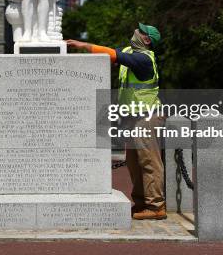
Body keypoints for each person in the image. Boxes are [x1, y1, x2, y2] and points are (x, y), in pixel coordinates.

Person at [66, 23, 166, 220]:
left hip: (147, 116)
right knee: (133, 161)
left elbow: (113, 55)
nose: (135, 31)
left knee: (149, 161)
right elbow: (110, 54)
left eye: (140, 31)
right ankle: (140, 204)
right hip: (133, 117)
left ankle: (156, 207)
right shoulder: (130, 51)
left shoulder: (143, 58)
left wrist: (82, 45)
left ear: (146, 40)